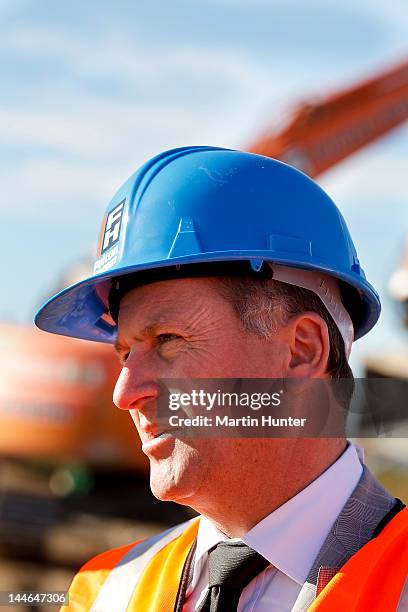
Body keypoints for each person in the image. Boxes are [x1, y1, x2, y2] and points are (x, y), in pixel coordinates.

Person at [35, 146, 408, 611]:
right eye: (126, 353)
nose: (125, 394)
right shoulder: (105, 592)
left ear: (301, 350)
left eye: (168, 340)